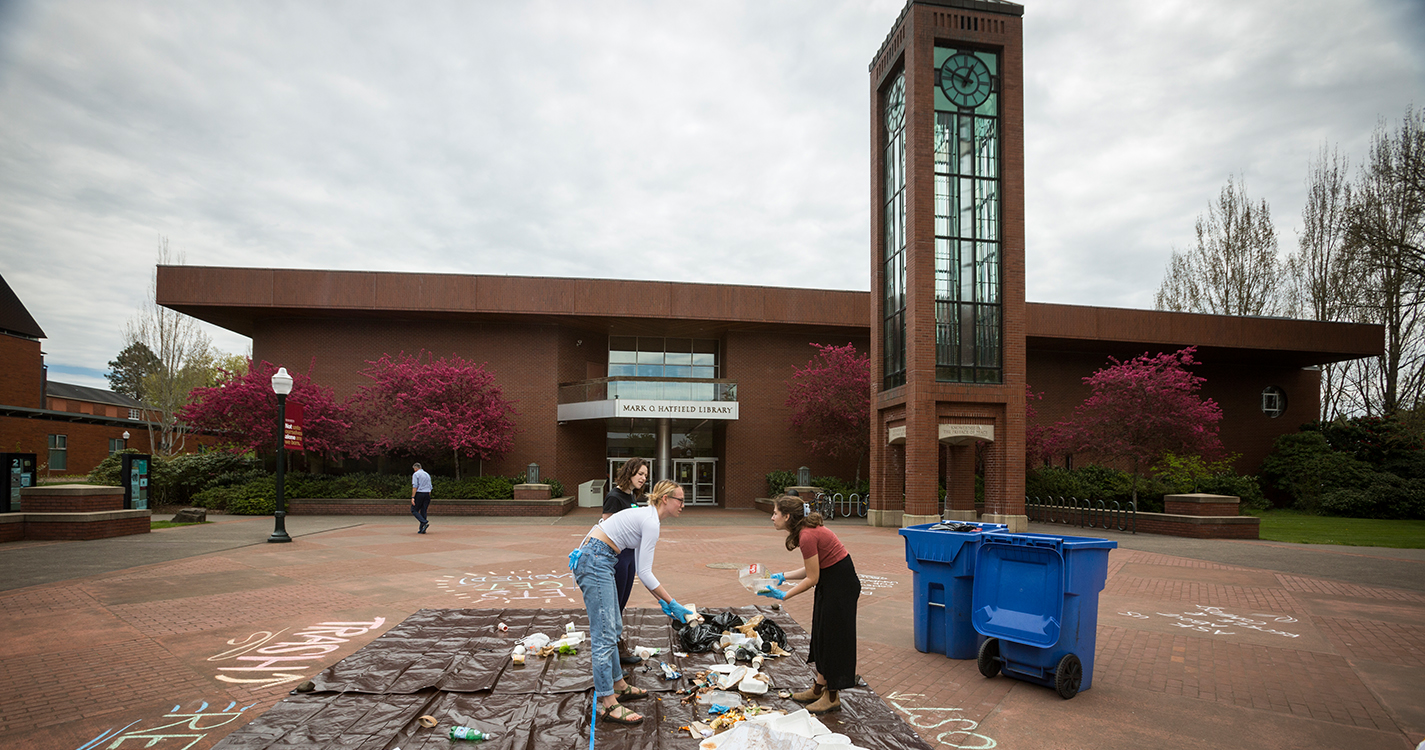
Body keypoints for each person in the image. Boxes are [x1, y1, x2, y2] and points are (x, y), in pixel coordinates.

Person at [570, 479, 692, 725]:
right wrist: (673, 602)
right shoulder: (650, 521)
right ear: (666, 499)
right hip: (595, 560)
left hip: (599, 558)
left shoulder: (646, 516)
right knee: (604, 634)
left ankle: (619, 684)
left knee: (613, 628)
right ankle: (608, 703)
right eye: (680, 500)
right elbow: (646, 573)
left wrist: (662, 601)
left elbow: (641, 571)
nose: (683, 505)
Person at [757, 494, 861, 715]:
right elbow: (815, 568)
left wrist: (784, 595)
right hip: (831, 583)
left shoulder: (807, 535)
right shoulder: (805, 532)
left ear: (787, 516)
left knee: (833, 639)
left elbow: (813, 577)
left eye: (775, 513)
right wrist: (782, 576)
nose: (772, 517)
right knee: (822, 635)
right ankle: (818, 688)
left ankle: (832, 697)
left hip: (840, 587)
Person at [603, 458, 649, 664]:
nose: (643, 478)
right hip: (619, 557)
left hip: (630, 557)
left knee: (621, 604)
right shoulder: (614, 496)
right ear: (629, 472)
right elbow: (607, 528)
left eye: (646, 475)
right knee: (615, 604)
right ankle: (614, 651)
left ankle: (617, 646)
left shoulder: (631, 495)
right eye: (640, 474)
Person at [410, 462, 432, 534]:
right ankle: (422, 529)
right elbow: (430, 486)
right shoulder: (427, 474)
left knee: (414, 510)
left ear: (415, 468)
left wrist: (413, 497)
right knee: (423, 510)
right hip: (427, 493)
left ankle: (424, 522)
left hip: (420, 493)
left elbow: (415, 486)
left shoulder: (416, 474)